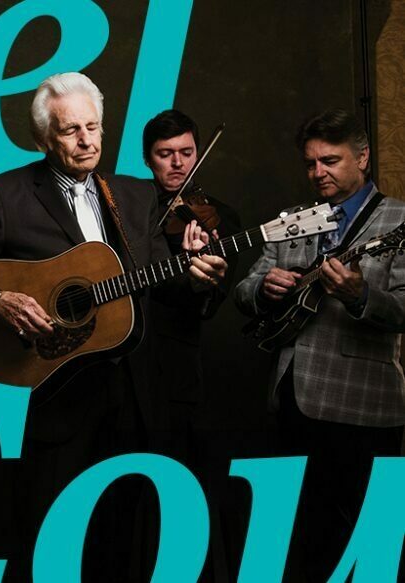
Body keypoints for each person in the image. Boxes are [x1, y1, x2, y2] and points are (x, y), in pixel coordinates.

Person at [0, 72, 227, 580]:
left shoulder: (132, 194)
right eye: (70, 131)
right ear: (44, 139)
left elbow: (156, 285)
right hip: (57, 399)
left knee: (128, 535)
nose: (86, 140)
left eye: (93, 127)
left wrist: (195, 276)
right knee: (52, 542)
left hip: (132, 396)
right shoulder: (10, 194)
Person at [235, 109, 405, 580]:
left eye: (330, 161)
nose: (318, 173)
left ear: (363, 157)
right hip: (292, 402)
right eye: (310, 163)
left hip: (366, 407)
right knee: (294, 547)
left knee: (371, 551)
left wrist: (360, 294)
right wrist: (262, 288)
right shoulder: (292, 218)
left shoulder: (400, 219)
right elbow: (243, 290)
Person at [143, 109, 242, 581]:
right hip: (122, 362)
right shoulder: (127, 207)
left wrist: (200, 280)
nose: (178, 164)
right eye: (166, 155)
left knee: (184, 488)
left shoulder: (215, 218)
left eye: (186, 153)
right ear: (149, 159)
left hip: (177, 370)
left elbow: (210, 304)